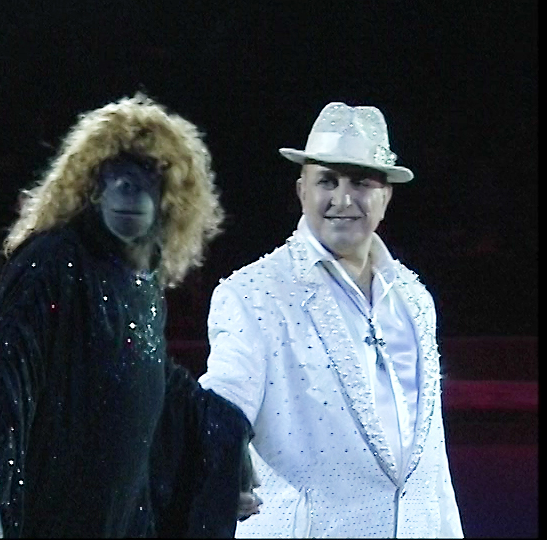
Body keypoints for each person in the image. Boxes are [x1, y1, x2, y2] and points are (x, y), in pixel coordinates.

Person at [0, 94, 261, 538]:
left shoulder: (142, 277)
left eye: (146, 174)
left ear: (170, 194)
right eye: (114, 173)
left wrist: (224, 434)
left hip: (117, 515)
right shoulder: (53, 261)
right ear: (91, 184)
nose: (128, 188)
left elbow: (146, 372)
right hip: (49, 509)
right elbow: (4, 377)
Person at [198, 102, 463, 538]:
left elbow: (433, 462)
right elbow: (224, 399)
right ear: (301, 190)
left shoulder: (414, 300)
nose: (343, 199)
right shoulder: (252, 294)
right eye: (327, 181)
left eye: (361, 182)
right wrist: (221, 456)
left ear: (386, 196)